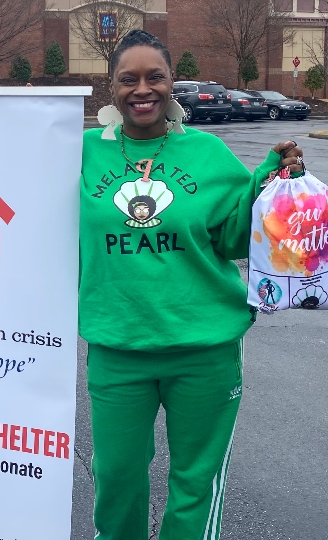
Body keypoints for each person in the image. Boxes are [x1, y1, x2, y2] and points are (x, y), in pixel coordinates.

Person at [79, 30, 304, 539]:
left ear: (171, 82)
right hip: (119, 347)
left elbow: (235, 239)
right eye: (128, 78)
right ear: (110, 88)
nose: (143, 89)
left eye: (154, 76)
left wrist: (270, 180)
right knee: (115, 477)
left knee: (194, 481)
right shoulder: (79, 154)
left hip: (203, 349)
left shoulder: (206, 153)